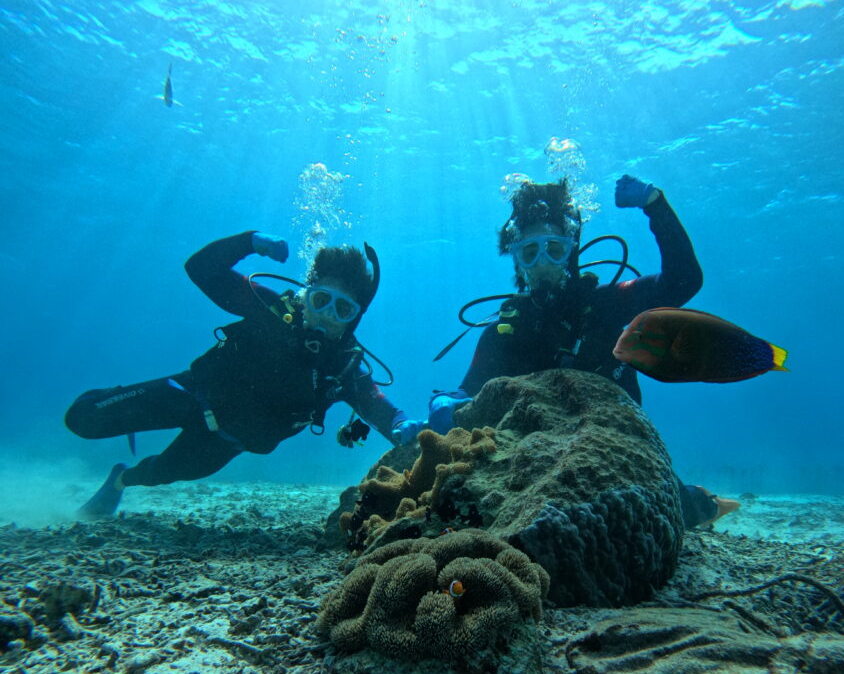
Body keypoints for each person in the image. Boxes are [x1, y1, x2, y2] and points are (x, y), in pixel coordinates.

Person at [427, 175, 738, 529]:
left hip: (616, 448)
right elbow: (470, 392)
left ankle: (704, 503)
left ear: (570, 252)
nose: (543, 264)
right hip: (532, 464)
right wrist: (448, 402)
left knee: (670, 512)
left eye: (554, 250)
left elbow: (684, 280)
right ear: (518, 262)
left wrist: (656, 205)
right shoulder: (502, 334)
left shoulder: (605, 303)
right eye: (530, 252)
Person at [66, 230, 423, 518]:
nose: (327, 315)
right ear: (306, 295)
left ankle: (120, 479)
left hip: (224, 443)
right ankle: (119, 397)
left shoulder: (344, 365)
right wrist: (250, 242)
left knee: (159, 473)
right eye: (320, 301)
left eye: (342, 309)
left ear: (354, 318)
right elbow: (201, 269)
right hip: (189, 396)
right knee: (82, 419)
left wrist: (402, 423)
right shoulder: (269, 308)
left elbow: (377, 406)